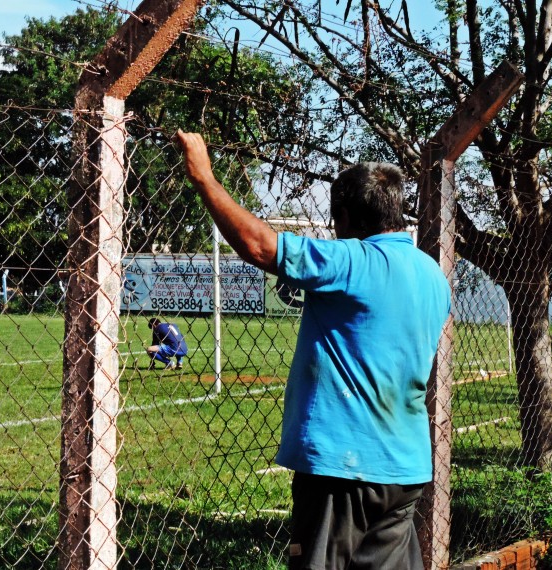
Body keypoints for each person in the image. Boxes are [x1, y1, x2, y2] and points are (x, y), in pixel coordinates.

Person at [176, 131, 451, 570]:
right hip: (406, 468)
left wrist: (205, 179)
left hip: (344, 469)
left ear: (344, 217)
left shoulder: (353, 261)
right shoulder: (432, 274)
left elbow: (260, 245)